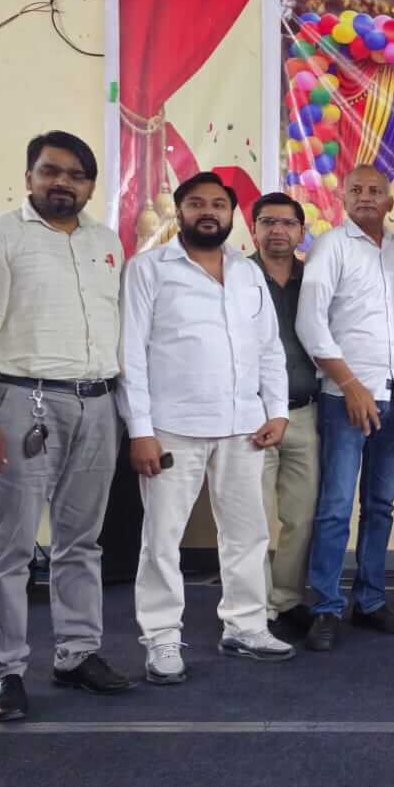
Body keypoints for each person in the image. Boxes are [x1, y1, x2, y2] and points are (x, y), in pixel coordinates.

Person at [0, 130, 133, 721]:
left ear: (91, 186)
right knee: (12, 547)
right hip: (23, 403)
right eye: (50, 171)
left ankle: (77, 654)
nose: (62, 183)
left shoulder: (106, 242)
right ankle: (3, 671)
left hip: (97, 404)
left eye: (76, 175)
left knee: (82, 542)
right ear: (29, 177)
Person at [121, 172, 295, 684]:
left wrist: (277, 411)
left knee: (247, 533)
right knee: (162, 538)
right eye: (196, 203)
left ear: (232, 214)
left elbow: (269, 348)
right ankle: (161, 637)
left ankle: (245, 626)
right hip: (171, 427)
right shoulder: (148, 269)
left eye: (218, 204)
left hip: (244, 427)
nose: (208, 212)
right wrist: (140, 430)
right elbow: (130, 354)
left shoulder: (246, 272)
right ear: (179, 212)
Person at [296, 165, 394, 651]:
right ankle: (326, 606)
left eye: (375, 191)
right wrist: (350, 384)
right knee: (335, 506)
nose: (366, 197)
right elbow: (310, 324)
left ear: (390, 200)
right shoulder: (330, 247)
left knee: (381, 506)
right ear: (343, 198)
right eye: (356, 190)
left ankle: (370, 600)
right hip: (344, 397)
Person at [247, 193, 322, 642]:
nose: (277, 230)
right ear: (253, 229)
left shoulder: (314, 280)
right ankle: (254, 607)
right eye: (267, 222)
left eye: (287, 223)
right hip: (251, 417)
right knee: (251, 519)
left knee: (302, 517)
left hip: (304, 414)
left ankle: (287, 599)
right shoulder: (236, 277)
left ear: (301, 231)